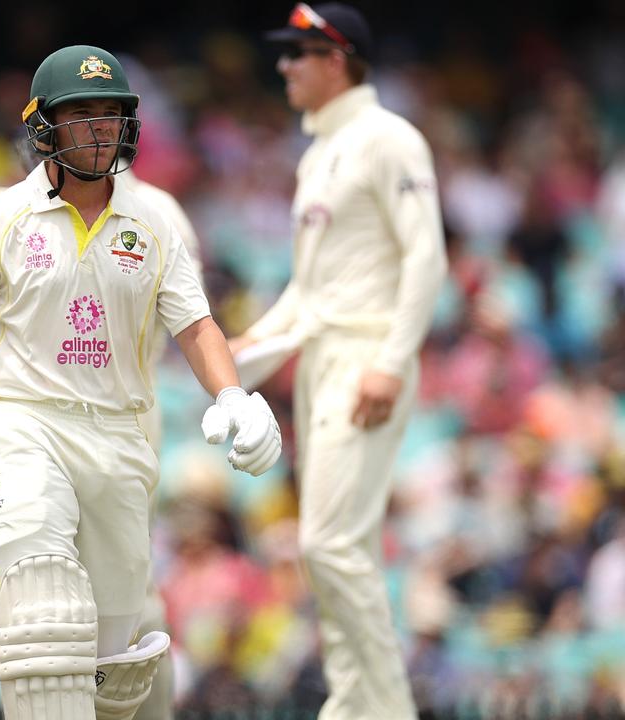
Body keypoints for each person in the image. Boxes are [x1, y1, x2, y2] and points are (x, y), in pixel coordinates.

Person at [0, 45, 281, 719]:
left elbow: (200, 329)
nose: (98, 127)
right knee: (42, 597)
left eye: (110, 113)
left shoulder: (155, 227)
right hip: (23, 423)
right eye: (82, 114)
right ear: (44, 128)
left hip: (119, 436)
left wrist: (234, 397)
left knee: (113, 660)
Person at [229, 5, 449, 718]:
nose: (285, 67)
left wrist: (392, 359)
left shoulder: (390, 139)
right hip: (323, 360)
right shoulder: (319, 154)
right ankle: (353, 705)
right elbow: (307, 289)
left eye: (299, 54)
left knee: (329, 546)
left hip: (366, 357)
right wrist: (242, 351)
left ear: (338, 58)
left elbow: (426, 253)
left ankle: (385, 708)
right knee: (329, 555)